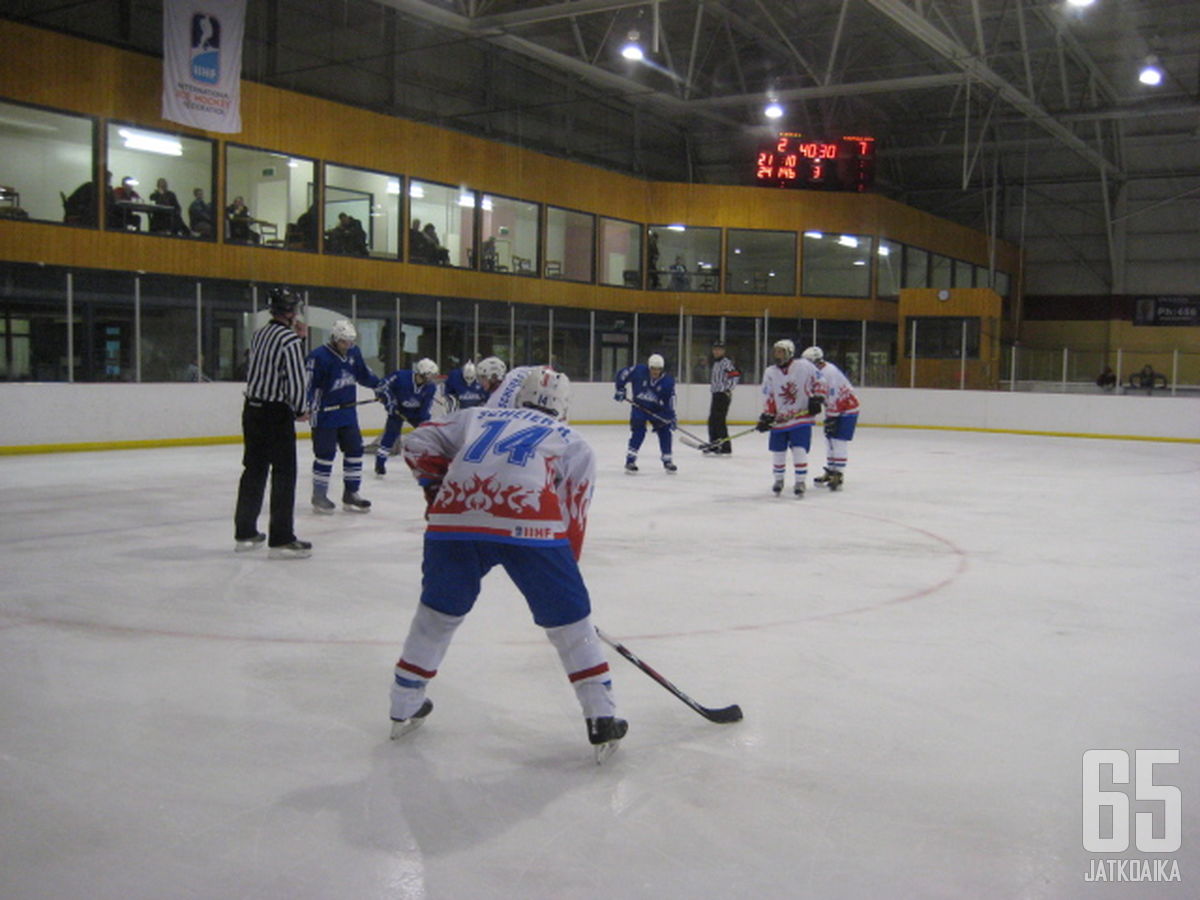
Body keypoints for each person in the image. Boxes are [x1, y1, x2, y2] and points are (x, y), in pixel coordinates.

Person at [389, 366, 626, 761]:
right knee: (571, 624)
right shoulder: (574, 441)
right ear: (565, 405)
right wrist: (568, 589)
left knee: (436, 614)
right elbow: (573, 515)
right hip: (530, 524)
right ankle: (601, 718)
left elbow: (417, 442)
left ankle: (403, 703)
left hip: (456, 517)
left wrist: (437, 491)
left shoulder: (475, 415)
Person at [232, 287, 312, 559]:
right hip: (275, 414)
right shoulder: (288, 340)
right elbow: (294, 377)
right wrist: (302, 408)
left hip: (252, 410)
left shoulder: (259, 335)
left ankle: (245, 532)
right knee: (284, 474)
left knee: (253, 471)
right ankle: (281, 537)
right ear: (290, 312)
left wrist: (297, 337)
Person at [304, 319, 381, 513]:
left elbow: (363, 375)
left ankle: (351, 493)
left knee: (355, 450)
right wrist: (306, 406)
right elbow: (308, 386)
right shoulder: (318, 357)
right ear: (334, 339)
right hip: (325, 415)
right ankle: (319, 495)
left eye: (351, 342)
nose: (348, 346)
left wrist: (380, 386)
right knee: (325, 454)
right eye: (344, 342)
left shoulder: (354, 353)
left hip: (347, 414)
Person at [756, 339, 821, 497]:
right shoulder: (770, 372)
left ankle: (800, 481)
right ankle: (778, 480)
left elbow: (820, 381)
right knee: (778, 451)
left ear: (790, 353)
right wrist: (767, 415)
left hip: (801, 417)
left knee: (799, 449)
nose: (777, 355)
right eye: (776, 351)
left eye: (781, 351)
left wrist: (817, 398)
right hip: (780, 419)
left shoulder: (804, 366)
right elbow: (768, 395)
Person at [803, 346, 859, 490]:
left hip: (847, 409)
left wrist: (832, 417)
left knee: (838, 440)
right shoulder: (818, 372)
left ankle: (838, 474)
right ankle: (831, 470)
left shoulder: (829, 372)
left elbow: (834, 396)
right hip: (835, 409)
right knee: (830, 440)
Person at [373, 358, 440, 477]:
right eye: (430, 375)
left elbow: (426, 407)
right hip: (397, 410)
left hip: (416, 414)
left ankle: (430, 463)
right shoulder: (401, 376)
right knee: (390, 436)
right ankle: (380, 463)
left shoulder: (430, 388)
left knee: (428, 435)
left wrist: (423, 422)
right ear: (423, 372)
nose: (432, 378)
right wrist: (389, 402)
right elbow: (381, 387)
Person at [614, 353, 677, 473]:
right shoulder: (639, 371)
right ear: (649, 367)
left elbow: (670, 399)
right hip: (639, 407)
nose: (655, 371)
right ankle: (630, 460)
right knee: (638, 432)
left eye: (658, 369)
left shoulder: (668, 381)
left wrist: (671, 416)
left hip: (657, 409)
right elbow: (622, 374)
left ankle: (667, 460)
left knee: (665, 431)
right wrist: (620, 389)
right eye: (653, 368)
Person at [705, 340, 741, 455]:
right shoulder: (715, 363)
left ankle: (726, 446)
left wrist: (728, 389)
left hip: (722, 395)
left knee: (719, 421)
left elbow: (735, 376)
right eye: (715, 349)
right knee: (712, 420)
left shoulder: (726, 363)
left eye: (719, 349)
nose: (716, 351)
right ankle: (714, 444)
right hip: (716, 394)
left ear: (723, 351)